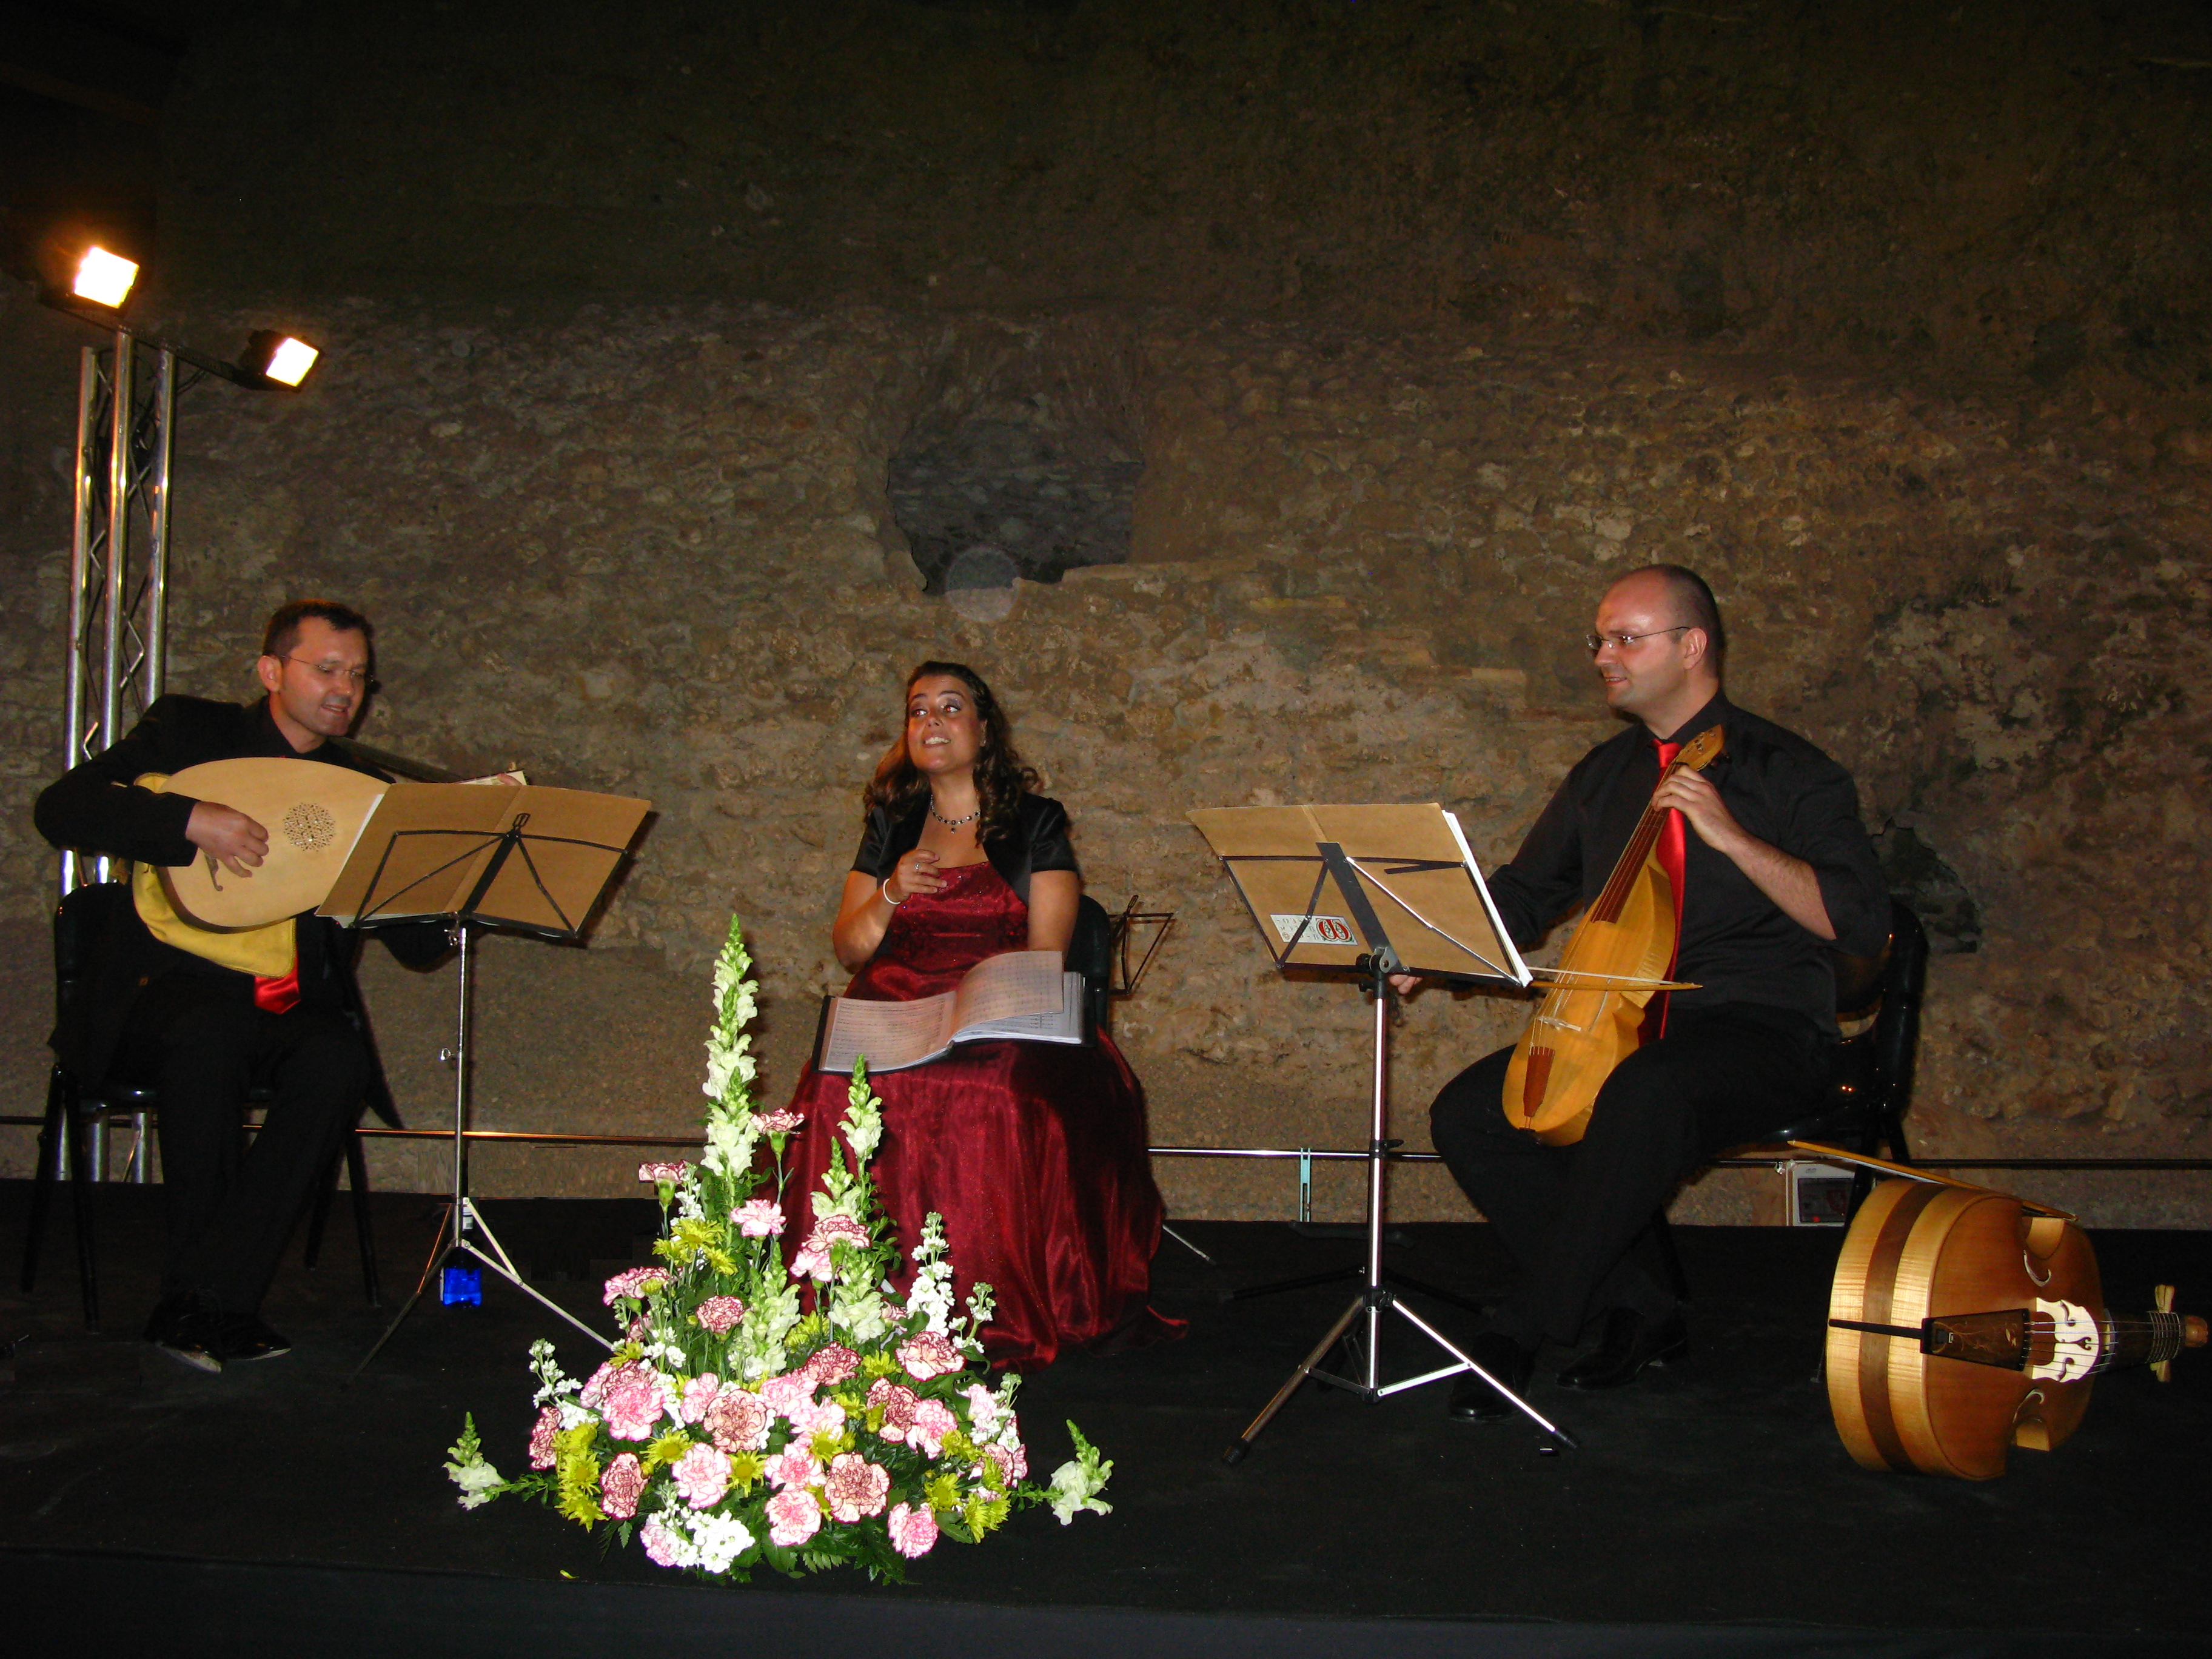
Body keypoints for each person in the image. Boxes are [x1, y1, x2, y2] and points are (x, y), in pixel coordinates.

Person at [1405, 565, 1890, 1421]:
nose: (1603, 657)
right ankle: (1639, 1304)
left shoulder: (1792, 771)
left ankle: (1529, 1326)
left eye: (1625, 639)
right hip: (1629, 1023)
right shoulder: (1604, 775)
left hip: (1762, 1027)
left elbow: (1851, 922)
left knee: (1646, 1090)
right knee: (1474, 1114)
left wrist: (1731, 837)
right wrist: (1435, 946)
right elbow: (1525, 893)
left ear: (1692, 646)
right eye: (1598, 640)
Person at [35, 599, 450, 1372]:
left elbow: (417, 943)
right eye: (326, 669)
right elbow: (60, 809)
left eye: (357, 677)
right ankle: (213, 1301)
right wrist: (188, 819)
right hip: (160, 994)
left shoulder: (357, 783)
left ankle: (207, 1300)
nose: (344, 690)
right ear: (271, 671)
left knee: (335, 1060)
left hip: (281, 1003)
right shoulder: (189, 732)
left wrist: (454, 881)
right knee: (209, 1032)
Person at [777, 660, 1175, 1369]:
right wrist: (893, 891)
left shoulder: (1035, 821)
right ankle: (857, 1298)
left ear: (983, 730)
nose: (931, 721)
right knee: (836, 1086)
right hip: (899, 998)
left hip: (1004, 1003)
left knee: (999, 1090)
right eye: (917, 709)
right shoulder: (890, 824)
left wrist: (973, 1010)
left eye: (950, 707)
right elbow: (849, 948)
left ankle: (988, 1303)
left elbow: (1046, 952)